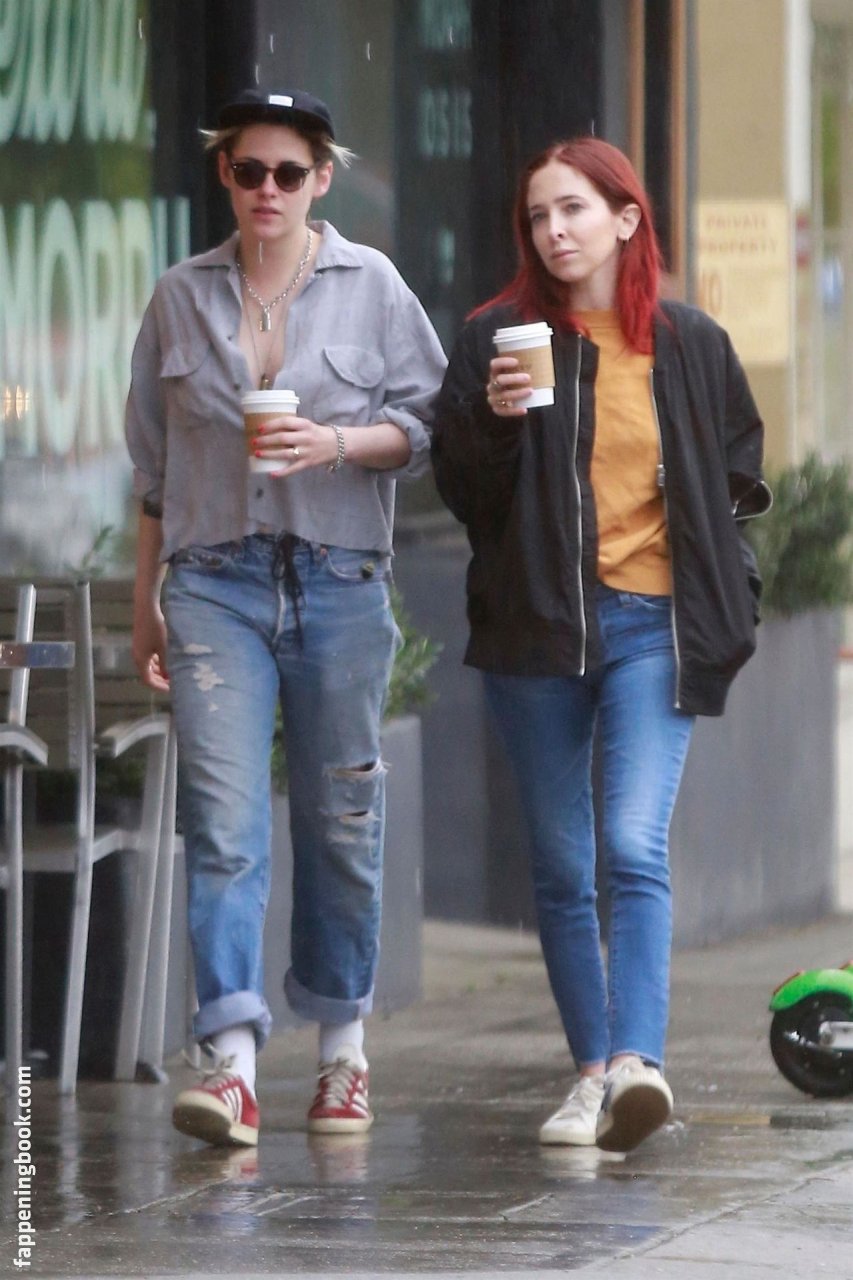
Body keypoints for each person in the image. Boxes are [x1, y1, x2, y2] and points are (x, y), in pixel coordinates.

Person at [431, 137, 770, 1154]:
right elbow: (463, 494)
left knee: (631, 843)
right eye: (537, 215)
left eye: (572, 208)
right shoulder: (496, 338)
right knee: (560, 864)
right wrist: (495, 422)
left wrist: (734, 580)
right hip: (533, 627)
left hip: (651, 624)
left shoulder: (688, 342)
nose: (553, 230)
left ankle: (636, 1064)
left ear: (626, 219)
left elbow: (736, 470)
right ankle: (590, 1075)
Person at [126, 88, 446, 1148]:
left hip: (340, 578)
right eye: (248, 170)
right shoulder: (180, 295)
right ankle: (230, 1064)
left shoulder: (373, 285)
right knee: (223, 824)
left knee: (342, 818)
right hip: (211, 582)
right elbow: (152, 473)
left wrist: (336, 444)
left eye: (288, 172)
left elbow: (427, 426)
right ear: (225, 175)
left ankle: (342, 1052)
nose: (268, 189)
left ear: (322, 178)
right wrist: (147, 601)